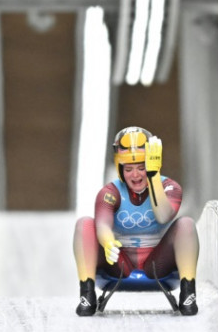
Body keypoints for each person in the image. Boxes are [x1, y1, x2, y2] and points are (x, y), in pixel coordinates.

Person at [72, 126, 200, 316]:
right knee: (84, 224)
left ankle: (188, 293)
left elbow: (163, 216)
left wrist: (153, 177)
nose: (136, 175)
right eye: (129, 169)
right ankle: (87, 294)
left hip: (157, 264)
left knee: (186, 224)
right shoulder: (110, 192)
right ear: (119, 169)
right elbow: (102, 224)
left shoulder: (169, 187)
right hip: (119, 263)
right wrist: (108, 243)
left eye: (142, 167)